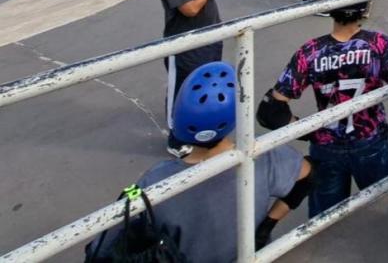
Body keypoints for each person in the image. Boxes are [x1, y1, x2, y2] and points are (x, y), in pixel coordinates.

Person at [86, 62, 313, 261]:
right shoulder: (264, 157)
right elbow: (309, 175)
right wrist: (266, 226)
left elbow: (100, 247)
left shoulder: (156, 180)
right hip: (248, 255)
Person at [257, 0, 388, 217]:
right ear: (366, 9)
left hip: (326, 144)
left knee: (325, 217)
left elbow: (270, 112)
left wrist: (309, 130)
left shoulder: (310, 52)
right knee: (381, 205)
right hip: (371, 140)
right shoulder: (379, 45)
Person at [156, 0, 229, 157]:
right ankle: (176, 139)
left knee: (207, 88)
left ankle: (204, 132)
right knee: (183, 91)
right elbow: (189, 10)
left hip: (212, 37)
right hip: (185, 45)